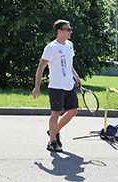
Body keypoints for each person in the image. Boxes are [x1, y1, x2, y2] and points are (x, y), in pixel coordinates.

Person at [32, 20, 81, 152]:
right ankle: (52, 141)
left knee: (73, 111)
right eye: (67, 29)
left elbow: (69, 64)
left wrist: (76, 76)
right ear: (59, 31)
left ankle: (53, 131)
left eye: (70, 29)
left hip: (69, 85)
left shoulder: (70, 45)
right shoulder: (51, 47)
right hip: (56, 86)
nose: (70, 31)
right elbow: (41, 67)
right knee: (56, 114)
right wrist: (37, 87)